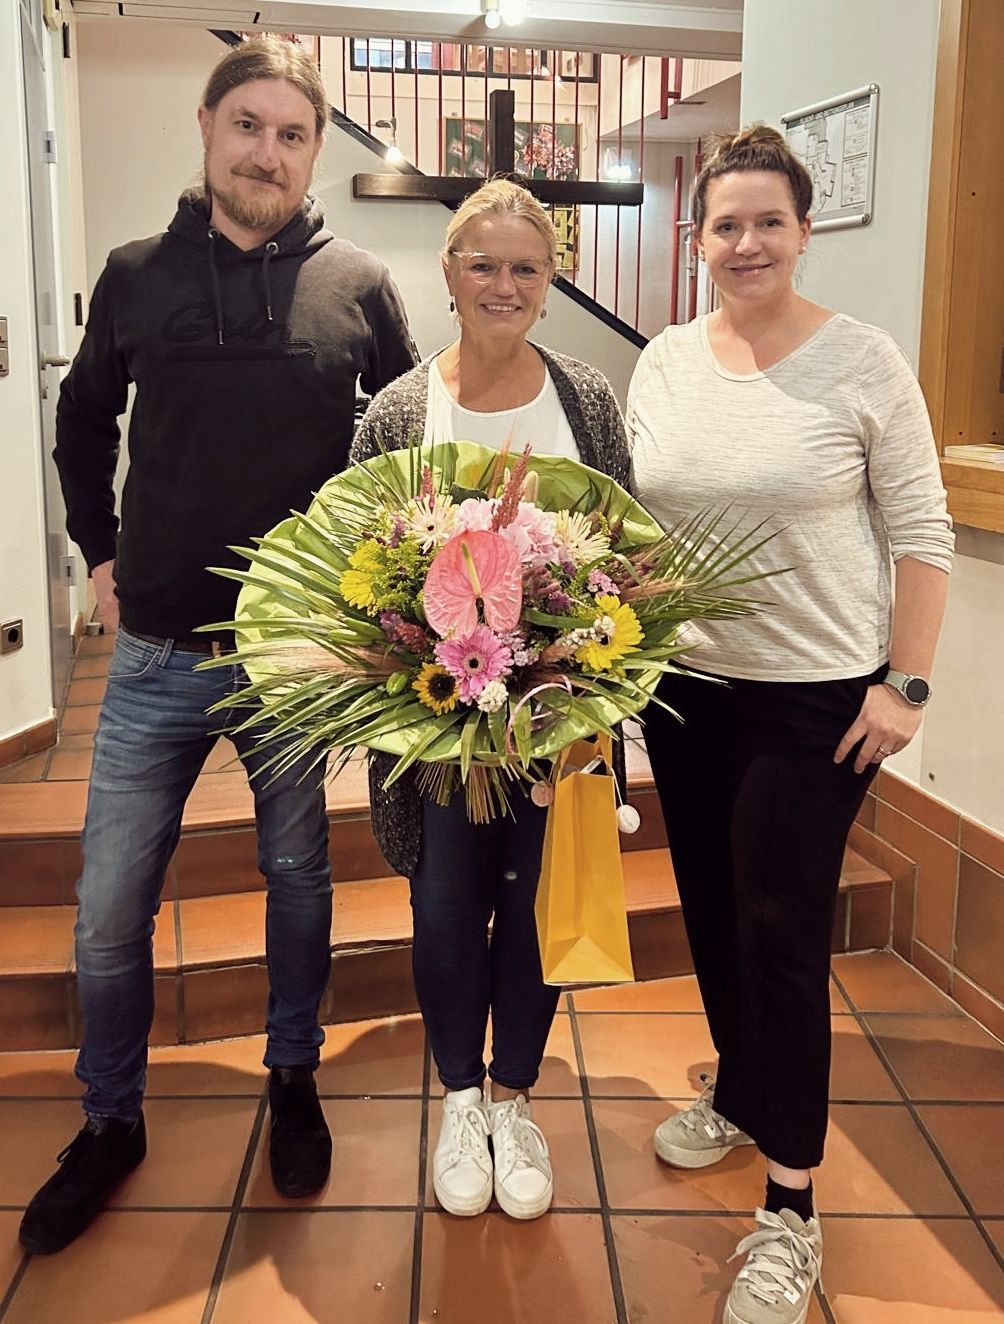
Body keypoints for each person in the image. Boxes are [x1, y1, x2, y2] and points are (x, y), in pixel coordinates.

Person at [20, 35, 418, 1255]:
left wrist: (378, 599)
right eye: (248, 125)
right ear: (206, 129)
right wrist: (97, 554)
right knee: (108, 907)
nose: (267, 153)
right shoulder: (136, 276)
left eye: (292, 135)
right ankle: (109, 1118)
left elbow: (408, 444)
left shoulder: (358, 283)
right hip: (153, 654)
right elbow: (82, 422)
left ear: (314, 151)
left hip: (295, 659)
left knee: (297, 876)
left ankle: (291, 1075)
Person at [627, 125, 953, 1324]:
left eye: (768, 221)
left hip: (813, 699)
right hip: (684, 688)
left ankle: (790, 1207)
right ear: (697, 237)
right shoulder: (664, 361)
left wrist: (903, 686)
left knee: (778, 932)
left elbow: (921, 532)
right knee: (713, 910)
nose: (746, 242)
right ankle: (739, 1091)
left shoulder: (861, 361)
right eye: (726, 224)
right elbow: (641, 519)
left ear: (803, 231)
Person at [350, 178, 629, 1221]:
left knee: (535, 905)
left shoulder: (586, 401)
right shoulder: (399, 409)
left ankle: (514, 1099)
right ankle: (460, 1101)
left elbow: (624, 555)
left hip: (558, 722)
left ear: (550, 281)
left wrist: (587, 669)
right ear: (449, 272)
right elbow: (357, 562)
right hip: (434, 727)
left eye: (525, 268)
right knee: (443, 905)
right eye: (483, 264)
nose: (502, 285)